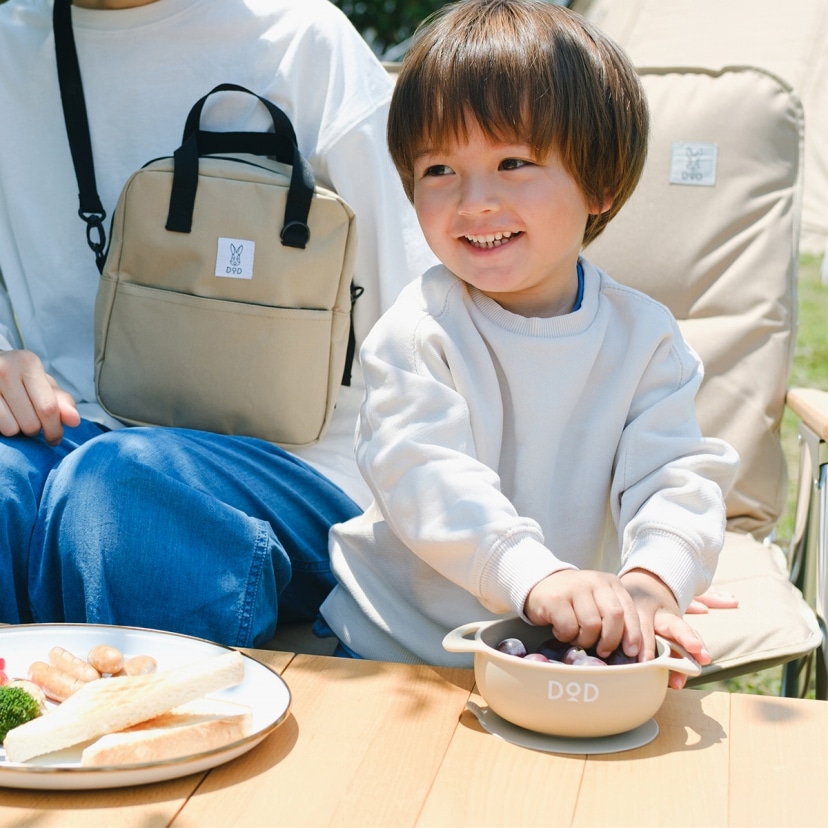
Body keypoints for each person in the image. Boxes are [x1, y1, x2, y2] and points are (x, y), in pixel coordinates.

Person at [318, 0, 740, 688]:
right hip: (396, 650)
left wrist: (653, 580)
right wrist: (536, 574)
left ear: (600, 182)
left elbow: (674, 475)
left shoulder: (644, 338)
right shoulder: (421, 328)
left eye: (513, 161)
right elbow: (423, 475)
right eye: (438, 171)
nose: (474, 200)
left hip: (553, 648)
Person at [0, 0, 435, 646]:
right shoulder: (11, 44)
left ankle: (160, 738)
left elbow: (426, 315)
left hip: (303, 464)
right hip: (68, 426)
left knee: (118, 497)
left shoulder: (300, 41)